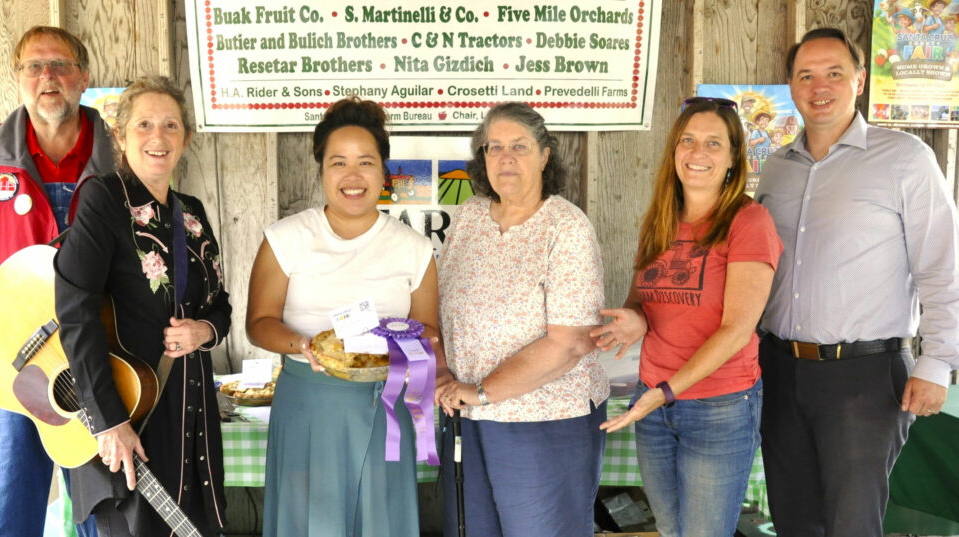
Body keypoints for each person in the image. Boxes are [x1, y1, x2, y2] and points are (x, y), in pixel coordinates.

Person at [755, 28, 959, 537]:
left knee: (852, 525)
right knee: (793, 519)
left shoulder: (905, 158)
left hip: (864, 377)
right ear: (791, 86)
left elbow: (942, 265)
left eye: (834, 73)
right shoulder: (775, 167)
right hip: (777, 369)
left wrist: (938, 361)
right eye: (806, 75)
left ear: (860, 80)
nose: (819, 85)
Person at [0, 25, 111, 537]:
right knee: (8, 520)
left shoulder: (119, 156)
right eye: (33, 66)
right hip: (6, 372)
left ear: (83, 77)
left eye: (60, 65)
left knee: (106, 521)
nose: (47, 76)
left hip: (100, 368)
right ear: (18, 80)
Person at [245, 96, 443, 537]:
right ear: (321, 170)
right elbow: (258, 323)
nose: (353, 177)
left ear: (384, 172)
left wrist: (389, 345)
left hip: (382, 405)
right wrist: (306, 345)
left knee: (381, 521)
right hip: (307, 405)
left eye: (366, 163)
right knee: (308, 521)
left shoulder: (413, 248)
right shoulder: (287, 238)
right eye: (339, 163)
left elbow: (429, 331)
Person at [591, 97, 782, 536]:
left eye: (714, 144)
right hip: (655, 403)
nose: (698, 153)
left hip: (718, 407)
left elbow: (737, 330)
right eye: (688, 141)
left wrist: (664, 392)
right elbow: (641, 300)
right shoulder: (659, 220)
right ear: (674, 151)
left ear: (734, 158)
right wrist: (636, 319)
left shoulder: (749, 222)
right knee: (672, 530)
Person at [55, 75, 230, 536]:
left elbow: (222, 305)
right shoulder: (103, 199)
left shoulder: (192, 212)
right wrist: (108, 421)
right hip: (131, 413)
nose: (159, 137)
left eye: (171, 125)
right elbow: (75, 312)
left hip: (193, 412)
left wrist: (204, 331)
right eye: (144, 124)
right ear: (120, 135)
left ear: (186, 138)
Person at [436, 102, 608, 537]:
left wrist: (481, 392)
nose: (505, 158)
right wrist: (449, 381)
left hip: (543, 420)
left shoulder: (565, 228)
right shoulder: (469, 217)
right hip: (468, 417)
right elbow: (440, 308)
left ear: (545, 155)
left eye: (519, 146)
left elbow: (569, 343)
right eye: (494, 147)